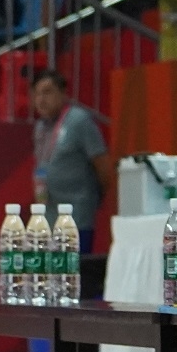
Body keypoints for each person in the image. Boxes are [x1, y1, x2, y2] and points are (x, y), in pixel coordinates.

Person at [30, 69, 109, 254]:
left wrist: (92, 200)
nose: (41, 99)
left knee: (73, 277)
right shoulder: (40, 128)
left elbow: (103, 167)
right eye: (37, 94)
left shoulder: (79, 121)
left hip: (76, 219)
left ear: (63, 93)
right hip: (48, 218)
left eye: (47, 92)